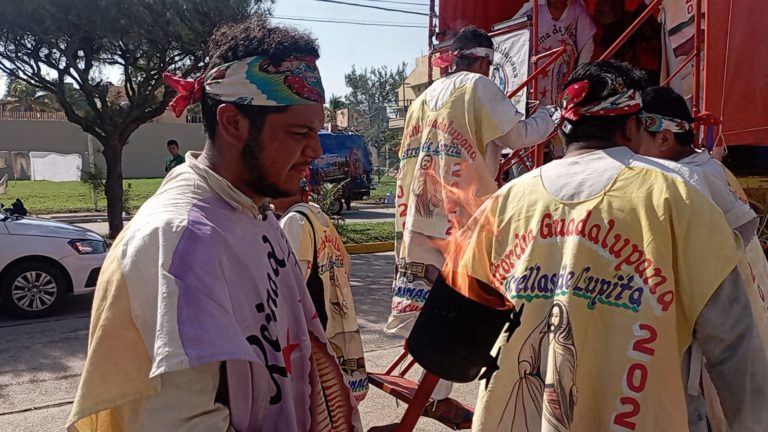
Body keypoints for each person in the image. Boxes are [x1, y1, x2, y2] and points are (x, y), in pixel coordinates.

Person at [440, 60, 768, 431]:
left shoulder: (504, 202)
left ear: (564, 130)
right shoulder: (676, 196)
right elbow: (734, 342)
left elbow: (452, 342)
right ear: (630, 127)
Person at [67, 19, 362, 432]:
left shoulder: (253, 211)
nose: (315, 150)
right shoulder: (176, 241)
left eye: (316, 131)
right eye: (300, 132)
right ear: (233, 123)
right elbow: (178, 423)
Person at [388, 24, 555, 423]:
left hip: (419, 214)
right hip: (461, 218)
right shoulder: (479, 87)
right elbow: (519, 135)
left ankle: (435, 393)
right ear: (484, 62)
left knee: (433, 305)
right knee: (468, 308)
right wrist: (551, 115)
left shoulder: (425, 97)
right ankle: (446, 392)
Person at [632, 85, 768, 431]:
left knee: (715, 407)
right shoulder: (703, 167)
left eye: (631, 136)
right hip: (743, 303)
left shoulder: (684, 180)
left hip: (718, 314)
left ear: (664, 138)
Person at [272, 192, 369, 404]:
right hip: (331, 319)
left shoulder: (294, 221)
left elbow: (290, 283)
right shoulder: (318, 217)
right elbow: (346, 263)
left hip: (310, 327)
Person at [514, 0, 597, 105]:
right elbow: (514, 46)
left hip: (564, 85)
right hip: (534, 88)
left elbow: (587, 47)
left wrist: (578, 80)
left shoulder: (577, 9)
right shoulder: (532, 11)